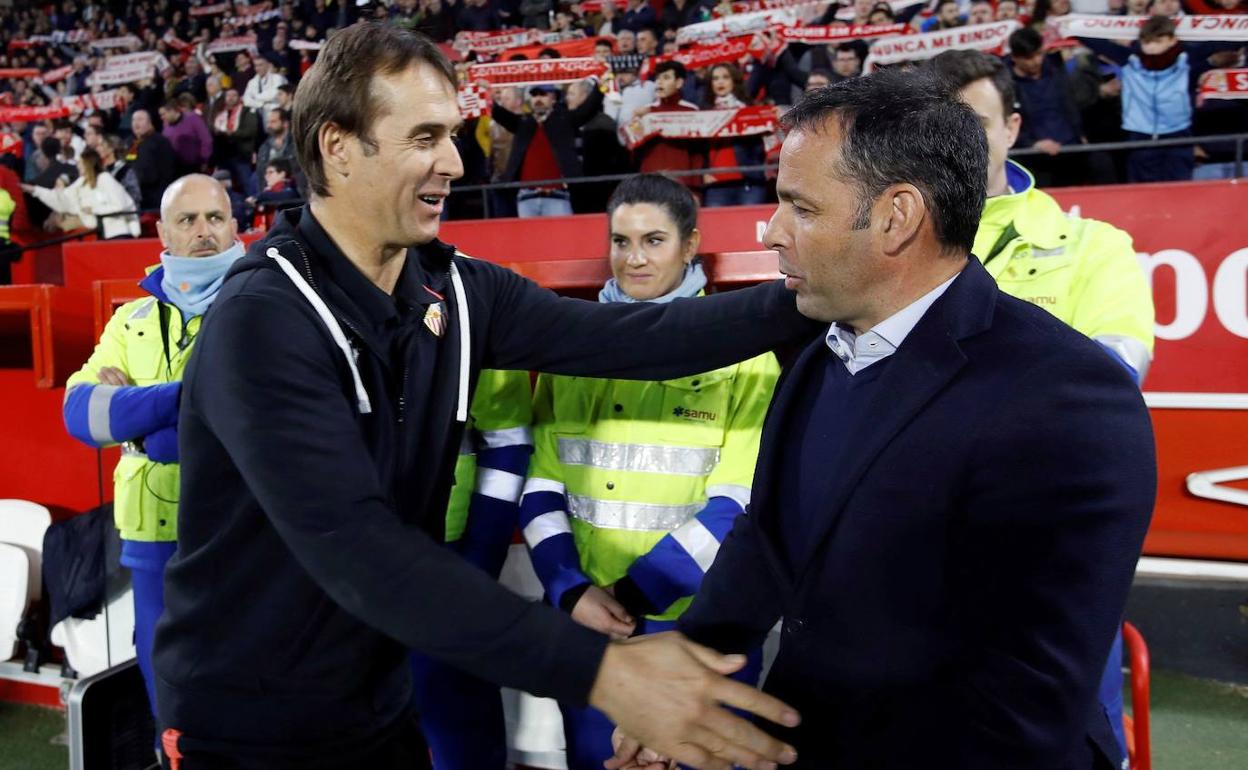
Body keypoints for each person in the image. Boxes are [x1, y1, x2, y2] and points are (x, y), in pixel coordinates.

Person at [154, 23, 809, 770]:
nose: (455, 162)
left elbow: (634, 341)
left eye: (454, 133)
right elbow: (358, 551)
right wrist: (606, 674)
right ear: (337, 147)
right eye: (425, 136)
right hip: (247, 729)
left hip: (376, 703)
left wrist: (805, 302)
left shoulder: (456, 288)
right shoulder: (263, 320)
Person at [612, 70, 1156, 770]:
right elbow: (771, 540)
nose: (772, 231)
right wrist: (687, 672)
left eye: (799, 208)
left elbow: (1022, 703)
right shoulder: (818, 356)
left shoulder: (1069, 400)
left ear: (897, 217)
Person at [932, 48, 1157, 769]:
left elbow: (1101, 409)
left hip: (1047, 588)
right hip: (907, 586)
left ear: (1014, 127)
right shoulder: (886, 251)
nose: (957, 140)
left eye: (974, 121)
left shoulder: (1096, 250)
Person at [520, 173, 780, 770]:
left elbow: (738, 503)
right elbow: (542, 486)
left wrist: (632, 595)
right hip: (590, 630)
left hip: (700, 631)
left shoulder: (746, 356)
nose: (633, 258)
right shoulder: (569, 347)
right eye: (621, 240)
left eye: (653, 240)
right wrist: (568, 587)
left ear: (690, 245)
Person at [62, 174, 243, 729]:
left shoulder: (262, 304)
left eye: (215, 218)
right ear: (162, 231)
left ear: (235, 226)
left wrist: (134, 414)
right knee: (161, 671)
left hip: (236, 528)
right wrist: (184, 402)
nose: (204, 232)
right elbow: (80, 414)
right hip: (150, 537)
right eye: (187, 221)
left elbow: (239, 418)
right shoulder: (131, 317)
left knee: (240, 669)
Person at [409, 369, 534, 770]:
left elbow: (509, 439)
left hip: (450, 563)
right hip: (331, 561)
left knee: (456, 716)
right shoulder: (288, 313)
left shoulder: (473, 311)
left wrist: (481, 555)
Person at [1075, 14, 1240, 182]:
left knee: (1180, 189)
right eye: (1147, 42)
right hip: (1140, 135)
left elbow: (1223, 42)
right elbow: (1097, 43)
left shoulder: (1186, 59)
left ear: (1172, 40)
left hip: (1178, 135)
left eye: (1158, 41)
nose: (1152, 47)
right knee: (1143, 192)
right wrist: (1068, 27)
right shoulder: (1130, 59)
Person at [490, 81, 605, 219]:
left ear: (553, 98)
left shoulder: (565, 119)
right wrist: (486, 92)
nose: (538, 99)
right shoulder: (522, 123)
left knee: (563, 239)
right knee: (528, 241)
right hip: (527, 198)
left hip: (558, 196)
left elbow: (590, 108)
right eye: (534, 95)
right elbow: (497, 112)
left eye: (543, 94)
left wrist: (601, 85)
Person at [23, 148, 139, 239]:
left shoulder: (105, 178)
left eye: (80, 162)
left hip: (119, 233)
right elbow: (62, 199)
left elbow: (121, 205)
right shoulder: (81, 183)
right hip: (101, 234)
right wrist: (35, 190)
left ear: (87, 163)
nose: (77, 165)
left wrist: (94, 210)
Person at [701, 63, 767, 207]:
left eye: (725, 77)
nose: (720, 82)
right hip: (716, 185)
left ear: (734, 81)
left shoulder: (749, 110)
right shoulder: (703, 113)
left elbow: (759, 147)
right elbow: (700, 149)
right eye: (715, 78)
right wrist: (703, 172)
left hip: (748, 182)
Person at [130, 109, 177, 212]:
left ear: (149, 123)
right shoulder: (132, 143)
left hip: (156, 196)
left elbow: (168, 169)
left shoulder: (160, 141)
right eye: (134, 120)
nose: (136, 123)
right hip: (140, 195)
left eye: (140, 119)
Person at [160, 98, 213, 177]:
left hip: (195, 165)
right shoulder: (166, 125)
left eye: (164, 114)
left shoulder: (193, 118)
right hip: (176, 167)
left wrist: (204, 160)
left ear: (172, 111)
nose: (162, 117)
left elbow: (206, 140)